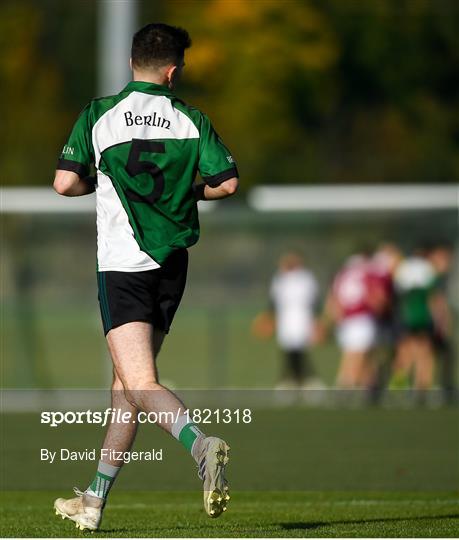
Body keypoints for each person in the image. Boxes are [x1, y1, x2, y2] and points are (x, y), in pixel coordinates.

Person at [52, 23, 238, 530]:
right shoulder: (190, 118)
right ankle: (93, 500)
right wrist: (183, 196)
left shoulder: (99, 115)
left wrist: (108, 181)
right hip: (171, 265)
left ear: (132, 62)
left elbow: (65, 183)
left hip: (123, 266)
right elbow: (227, 183)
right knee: (126, 385)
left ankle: (202, 446)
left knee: (138, 381)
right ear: (173, 70)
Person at [252, 252, 321, 389]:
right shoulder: (280, 279)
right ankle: (294, 381)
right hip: (286, 319)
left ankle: (303, 381)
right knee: (289, 352)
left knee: (299, 351)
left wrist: (317, 322)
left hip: (302, 318)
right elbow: (273, 301)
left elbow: (315, 301)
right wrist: (268, 318)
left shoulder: (306, 278)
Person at [326, 252, 381, 390]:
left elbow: (333, 301)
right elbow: (375, 298)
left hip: (347, 320)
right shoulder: (366, 275)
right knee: (360, 354)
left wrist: (335, 318)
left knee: (353, 354)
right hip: (362, 318)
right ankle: (347, 384)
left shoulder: (342, 275)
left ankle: (363, 385)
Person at [391, 249, 437, 401]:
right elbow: (433, 295)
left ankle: (398, 388)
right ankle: (421, 388)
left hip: (406, 314)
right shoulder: (428, 267)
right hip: (423, 314)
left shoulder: (403, 267)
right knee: (424, 352)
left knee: (404, 351)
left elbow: (396, 291)